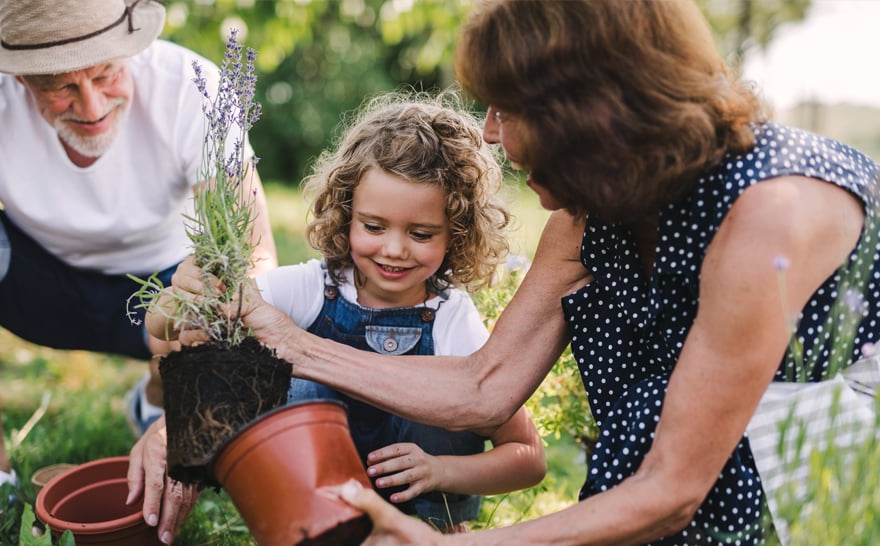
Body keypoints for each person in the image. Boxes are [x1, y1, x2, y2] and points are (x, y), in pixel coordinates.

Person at [139, 0, 879, 544]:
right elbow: (485, 384)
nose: (489, 133)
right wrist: (236, 375)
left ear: (590, 115)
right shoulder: (592, 213)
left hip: (825, 481)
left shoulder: (766, 219)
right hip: (678, 475)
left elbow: (671, 489)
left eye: (506, 108)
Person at [0, 0, 277, 523]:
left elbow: (254, 265)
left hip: (162, 297)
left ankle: (156, 401)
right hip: (40, 288)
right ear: (19, 76)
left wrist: (184, 418)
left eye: (106, 73)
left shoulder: (190, 87)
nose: (90, 106)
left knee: (210, 292)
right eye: (60, 87)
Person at [140, 93, 547, 533]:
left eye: (421, 233)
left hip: (419, 518)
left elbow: (528, 458)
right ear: (346, 215)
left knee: (449, 398)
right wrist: (181, 296)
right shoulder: (313, 288)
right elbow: (164, 327)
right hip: (316, 511)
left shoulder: (452, 318)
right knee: (294, 385)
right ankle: (306, 527)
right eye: (374, 227)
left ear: (457, 233)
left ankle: (440, 532)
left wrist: (442, 470)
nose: (394, 249)